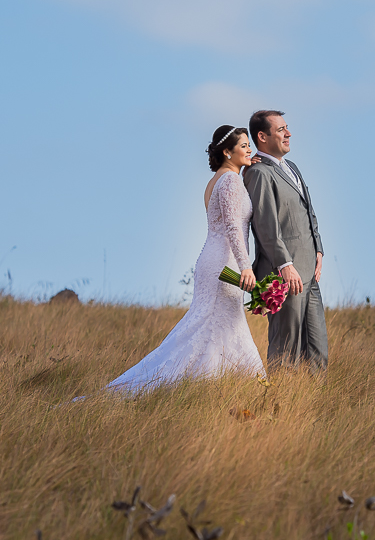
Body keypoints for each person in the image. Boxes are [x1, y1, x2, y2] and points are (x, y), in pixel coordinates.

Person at [105, 125, 266, 393]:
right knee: (218, 326)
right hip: (224, 262)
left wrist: (247, 166)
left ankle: (211, 385)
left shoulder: (217, 179)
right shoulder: (230, 181)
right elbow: (232, 227)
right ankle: (213, 384)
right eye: (244, 146)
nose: (250, 149)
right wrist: (246, 267)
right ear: (227, 151)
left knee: (210, 326)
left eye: (250, 145)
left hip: (212, 259)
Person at [243, 110, 328, 370]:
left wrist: (319, 251)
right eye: (280, 130)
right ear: (262, 136)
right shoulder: (258, 172)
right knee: (285, 350)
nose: (288, 133)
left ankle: (312, 406)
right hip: (284, 275)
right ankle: (279, 405)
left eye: (286, 128)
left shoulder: (292, 167)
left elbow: (308, 211)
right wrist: (285, 264)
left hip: (309, 272)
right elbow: (266, 225)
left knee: (318, 349)